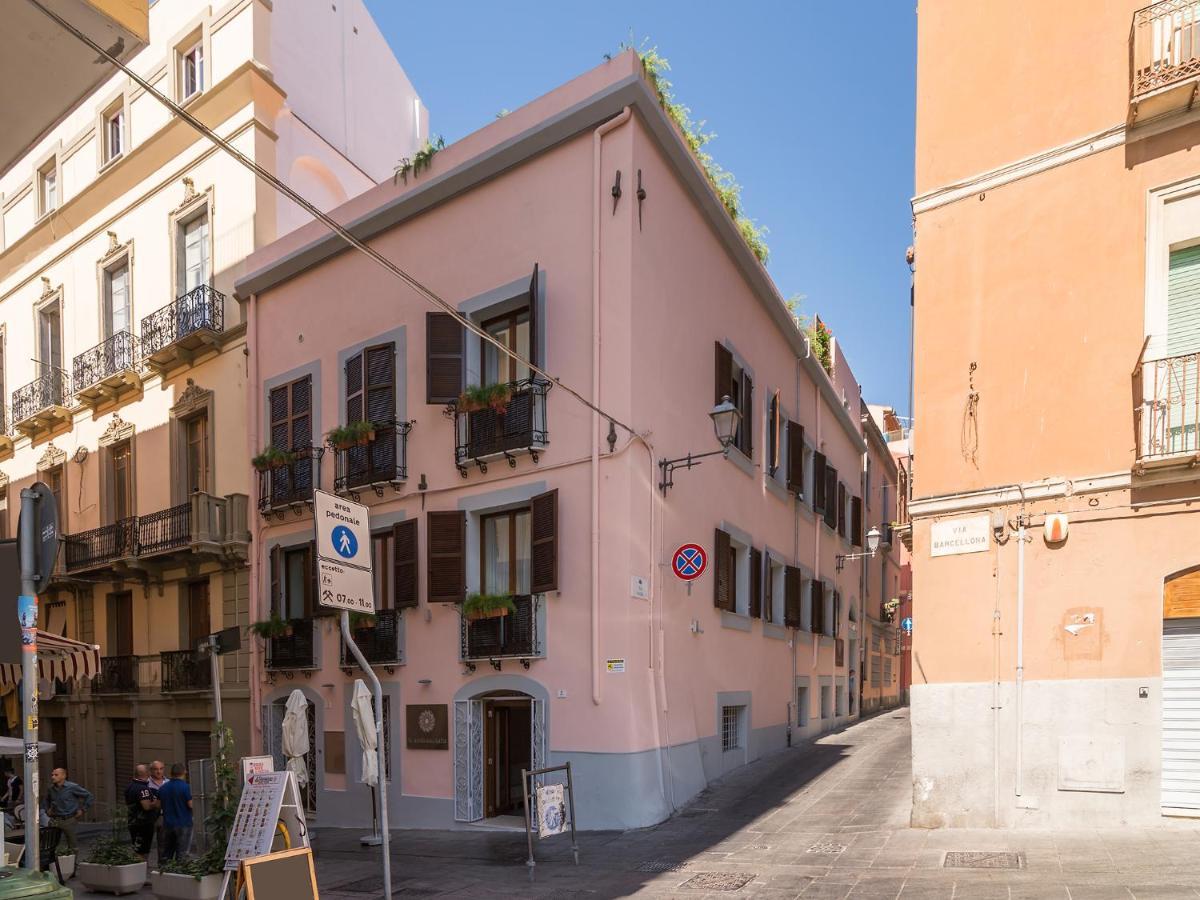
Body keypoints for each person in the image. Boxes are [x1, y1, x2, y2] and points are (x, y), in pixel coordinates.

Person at [42, 767, 93, 854]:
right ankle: (52, 863)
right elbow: (46, 800)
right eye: (52, 775)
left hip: (68, 819)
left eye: (56, 775)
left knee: (72, 845)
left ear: (63, 776)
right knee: (50, 844)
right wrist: (47, 810)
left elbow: (89, 796)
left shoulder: (72, 787)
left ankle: (73, 864)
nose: (53, 777)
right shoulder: (51, 788)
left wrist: (82, 810)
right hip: (55, 819)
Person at [156, 763, 193, 863]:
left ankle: (164, 873)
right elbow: (190, 805)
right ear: (184, 773)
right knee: (182, 854)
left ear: (171, 773)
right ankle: (180, 873)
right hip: (184, 823)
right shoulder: (186, 787)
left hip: (167, 824)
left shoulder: (163, 788)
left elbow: (157, 805)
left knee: (166, 853)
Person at [124, 764, 160, 859]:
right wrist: (157, 802)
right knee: (142, 850)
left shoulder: (130, 786)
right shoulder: (142, 788)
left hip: (133, 821)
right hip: (143, 823)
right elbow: (146, 806)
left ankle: (138, 868)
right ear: (147, 773)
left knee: (137, 848)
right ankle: (140, 869)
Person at [148, 761, 167, 864]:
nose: (158, 772)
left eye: (161, 769)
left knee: (163, 842)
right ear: (151, 770)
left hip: (163, 816)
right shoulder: (147, 784)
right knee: (146, 842)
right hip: (150, 816)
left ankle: (161, 865)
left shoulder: (168, 783)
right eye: (156, 769)